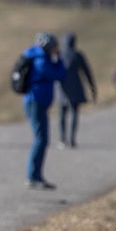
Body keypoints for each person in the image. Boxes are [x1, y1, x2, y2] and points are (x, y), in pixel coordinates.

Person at [21, 33, 66, 190]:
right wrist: (59, 60)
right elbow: (60, 74)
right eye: (54, 46)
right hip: (35, 102)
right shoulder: (41, 60)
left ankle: (35, 176)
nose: (56, 49)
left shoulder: (38, 57)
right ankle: (33, 176)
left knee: (41, 139)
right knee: (41, 139)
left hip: (37, 102)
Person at [56, 33, 96, 149]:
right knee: (74, 113)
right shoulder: (78, 55)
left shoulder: (59, 55)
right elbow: (87, 72)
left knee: (62, 114)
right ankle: (72, 139)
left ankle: (62, 138)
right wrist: (92, 87)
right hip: (76, 88)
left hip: (61, 88)